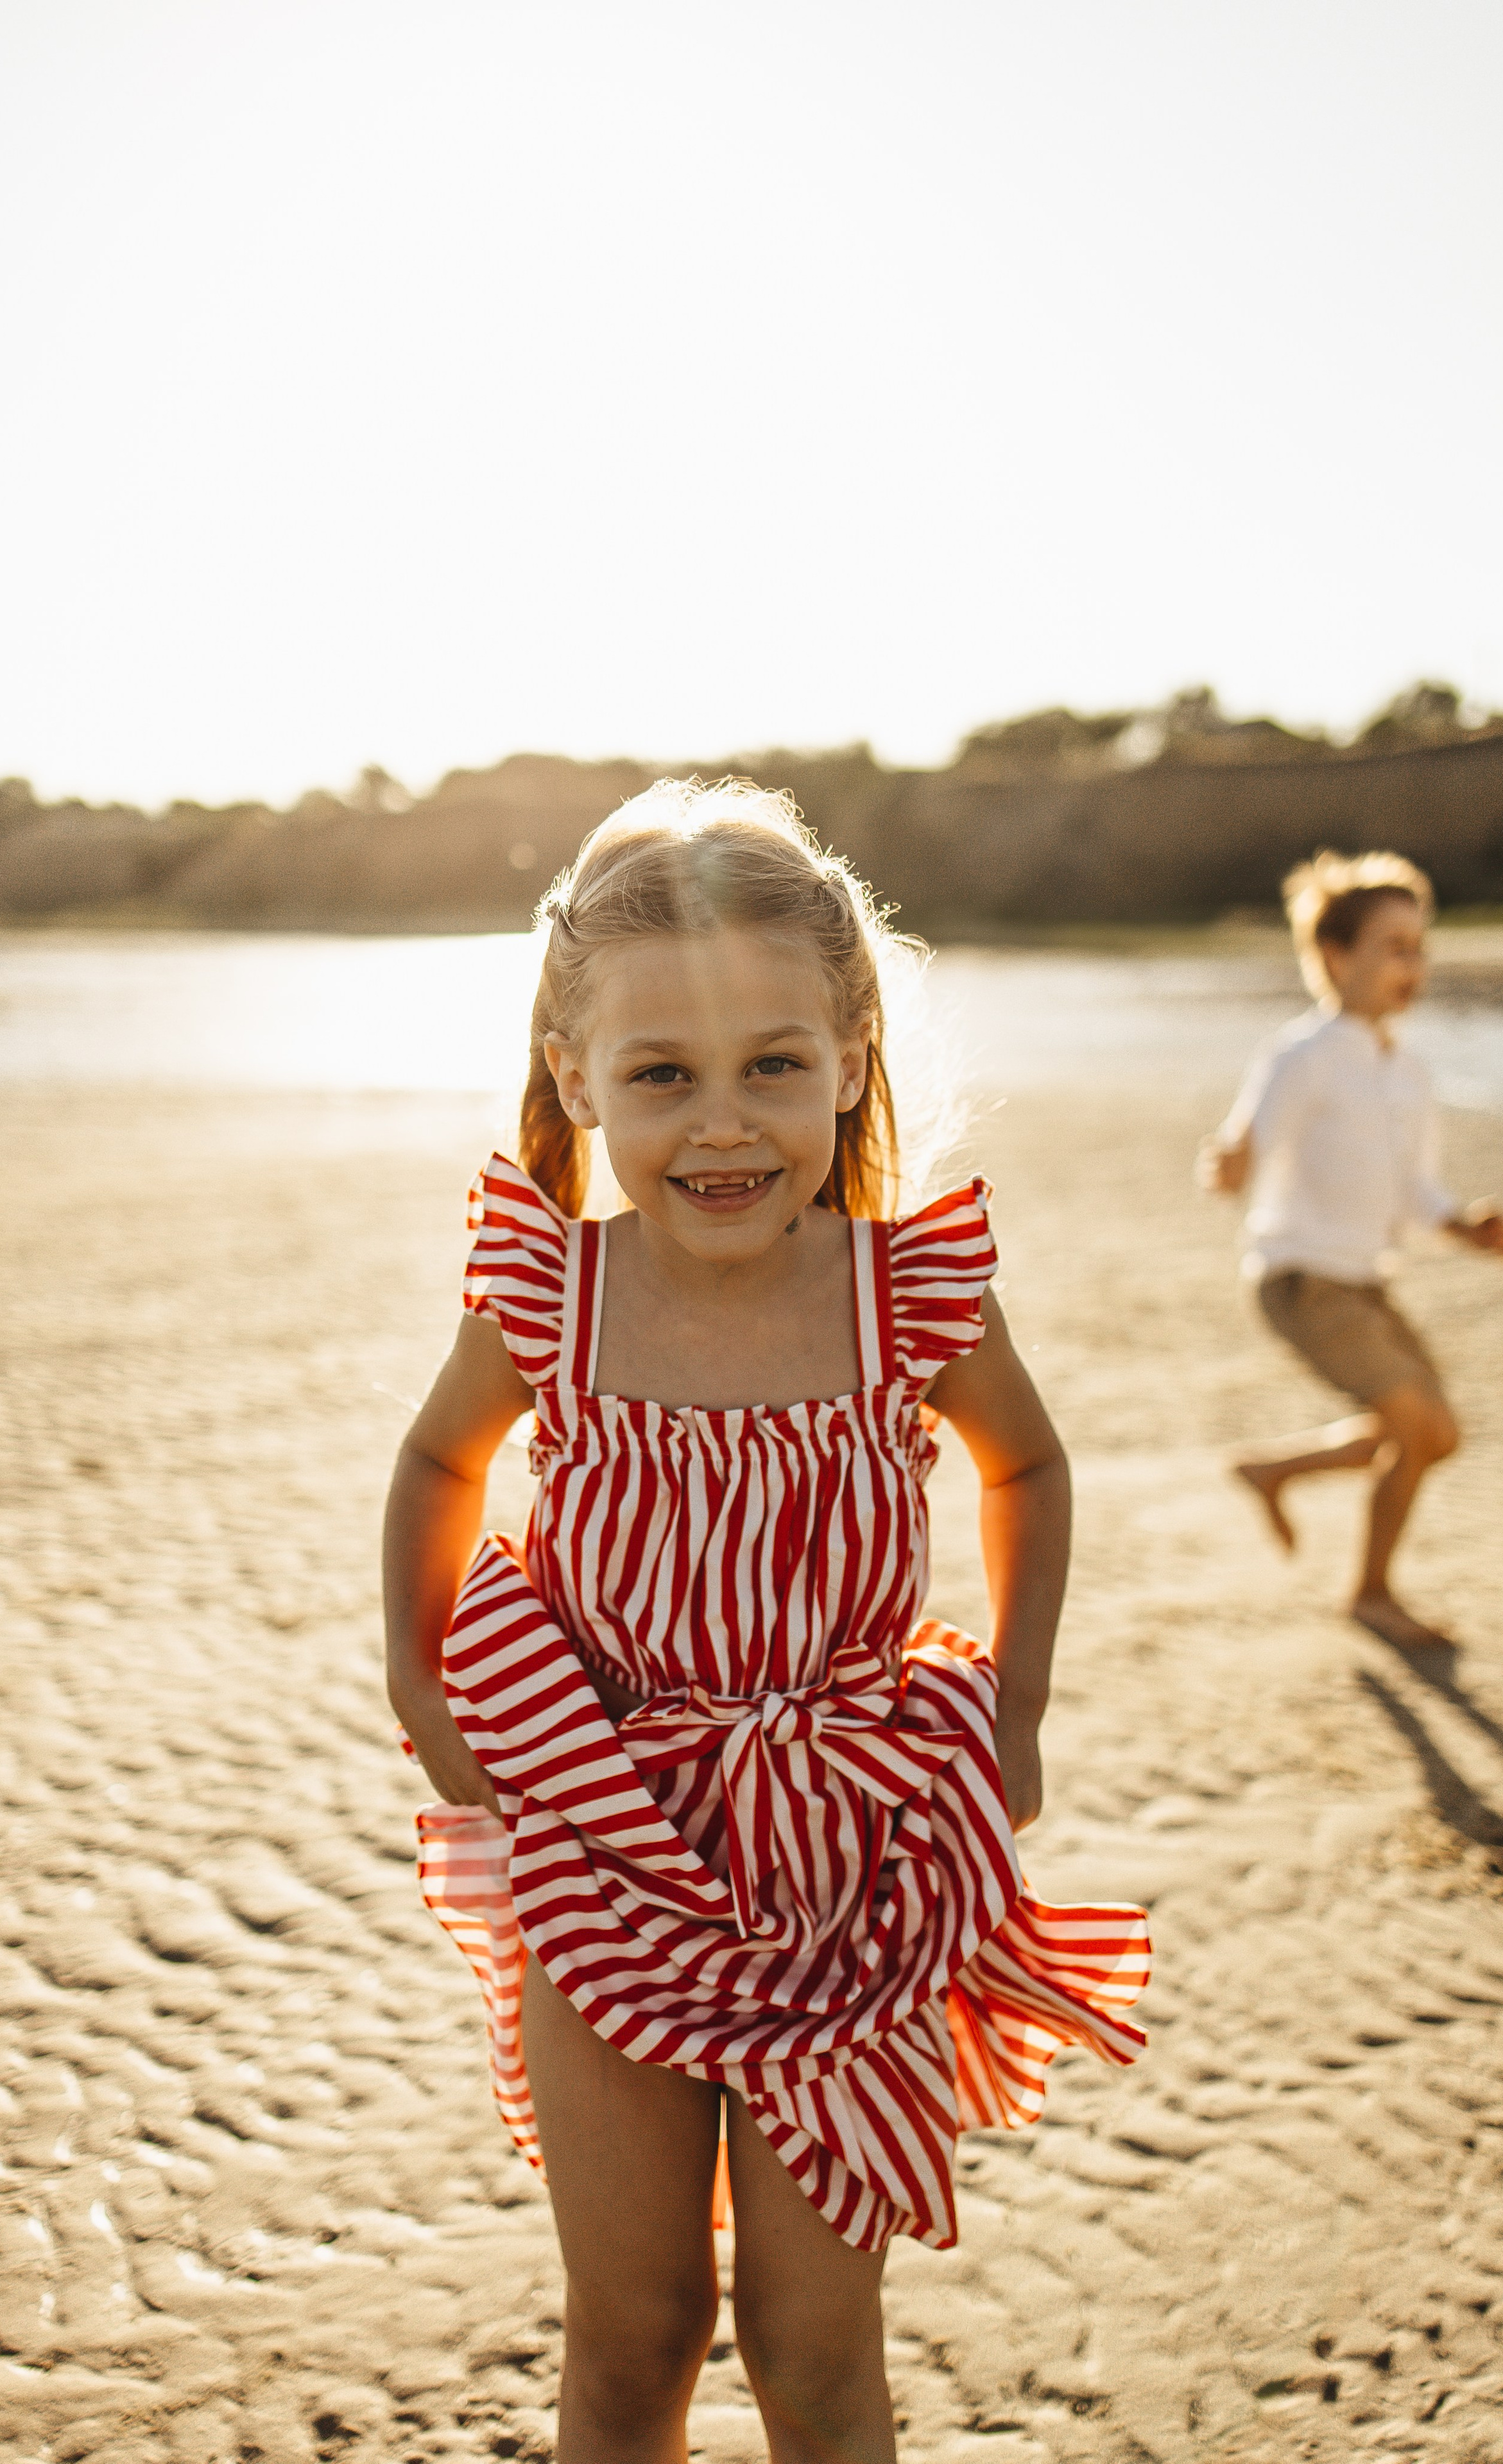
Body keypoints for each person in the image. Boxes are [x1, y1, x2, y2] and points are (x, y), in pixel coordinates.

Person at [383, 780, 1149, 2464]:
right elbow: (444, 1455)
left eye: (771, 1068)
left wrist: (1012, 1709)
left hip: (853, 1864)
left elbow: (1026, 1467)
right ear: (576, 1076)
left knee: (814, 2356)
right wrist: (419, 1689)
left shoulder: (908, 1294)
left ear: (852, 1056)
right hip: (609, 1836)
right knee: (633, 2336)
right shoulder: (556, 1294)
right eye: (662, 1076)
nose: (721, 1126)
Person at [1199, 849, 1503, 1652]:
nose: (1412, 964)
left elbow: (1415, 1188)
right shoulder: (1302, 1054)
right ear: (1335, 958)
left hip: (1364, 1281)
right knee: (1415, 1422)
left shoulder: (1406, 1069)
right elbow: (1249, 1143)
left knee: (1435, 1434)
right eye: (1393, 947)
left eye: (1419, 947)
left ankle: (1275, 1472)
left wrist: (1463, 1225)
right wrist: (1230, 1164)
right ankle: (1372, 1594)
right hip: (1302, 1279)